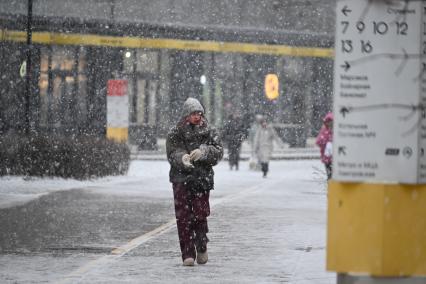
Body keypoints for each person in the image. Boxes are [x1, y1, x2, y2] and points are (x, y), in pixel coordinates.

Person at [166, 97, 224, 266]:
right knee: (183, 218)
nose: (197, 116)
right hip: (180, 179)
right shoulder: (175, 132)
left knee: (200, 215)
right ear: (186, 115)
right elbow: (172, 153)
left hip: (202, 179)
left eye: (199, 113)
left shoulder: (209, 130)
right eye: (193, 113)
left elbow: (218, 151)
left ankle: (201, 246)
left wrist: (203, 152)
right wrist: (181, 158)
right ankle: (187, 254)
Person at [316, 112, 333, 179]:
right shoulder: (324, 131)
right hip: (327, 158)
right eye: (329, 122)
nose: (330, 124)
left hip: (335, 158)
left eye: (331, 122)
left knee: (333, 175)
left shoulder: (337, 131)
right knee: (329, 175)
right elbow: (318, 141)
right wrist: (327, 143)